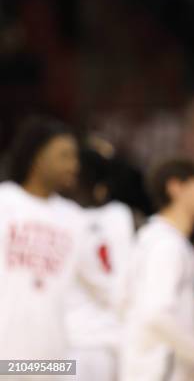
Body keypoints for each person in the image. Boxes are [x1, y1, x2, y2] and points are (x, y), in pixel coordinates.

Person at [0, 116, 103, 379]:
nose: (74, 166)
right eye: (64, 156)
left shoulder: (75, 218)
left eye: (75, 157)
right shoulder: (5, 203)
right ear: (37, 157)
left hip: (54, 359)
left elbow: (102, 287)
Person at [120, 159, 194, 381]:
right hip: (160, 369)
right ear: (176, 187)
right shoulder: (167, 244)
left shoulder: (154, 237)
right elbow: (156, 315)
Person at [65, 148, 136, 381]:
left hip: (81, 341)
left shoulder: (66, 217)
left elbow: (115, 284)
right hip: (108, 340)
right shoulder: (120, 215)